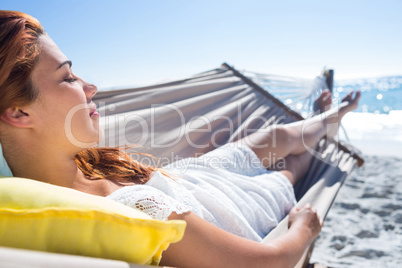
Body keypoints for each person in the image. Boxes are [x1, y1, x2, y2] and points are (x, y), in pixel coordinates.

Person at [0, 10, 360, 267]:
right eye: (68, 78)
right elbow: (265, 264)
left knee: (278, 135)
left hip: (194, 177)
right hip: (231, 204)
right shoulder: (124, 214)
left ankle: (327, 116)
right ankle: (326, 119)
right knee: (290, 169)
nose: (90, 87)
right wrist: (304, 229)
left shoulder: (80, 162)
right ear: (18, 113)